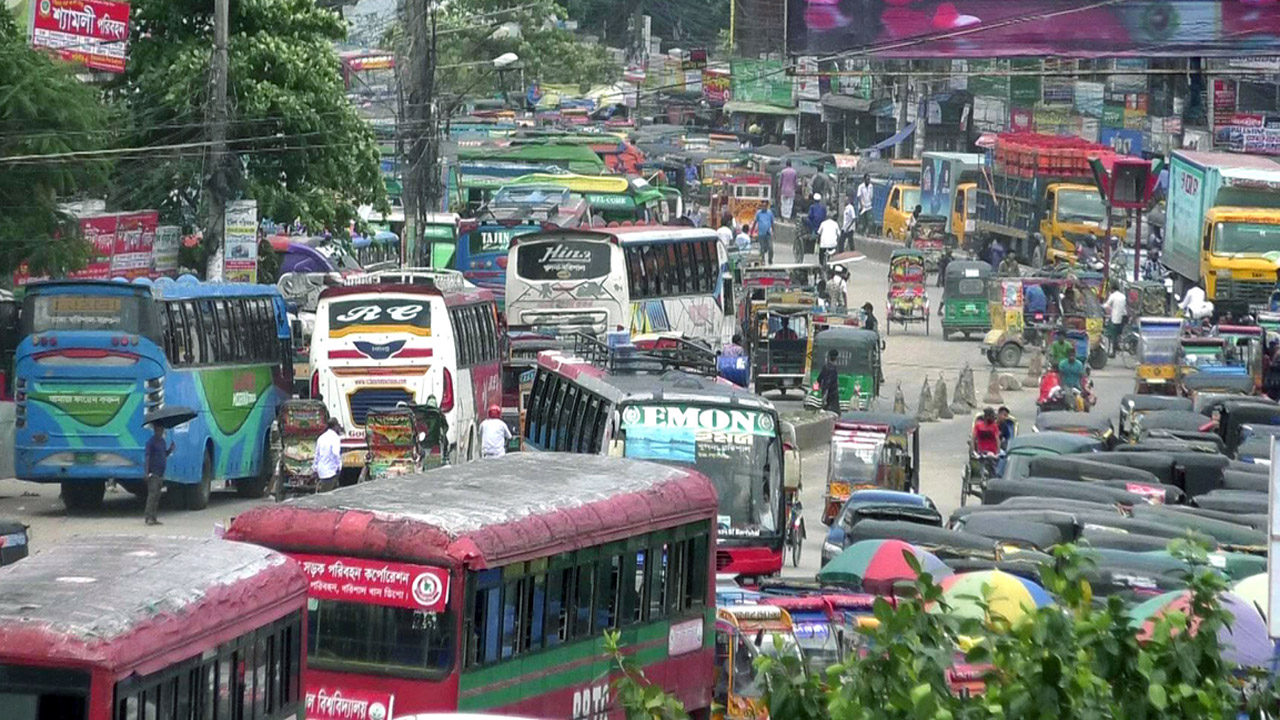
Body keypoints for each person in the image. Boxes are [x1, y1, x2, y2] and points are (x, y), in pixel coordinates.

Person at [143, 422, 174, 525]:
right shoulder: (151, 442)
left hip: (160, 473)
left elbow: (164, 454)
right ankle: (148, 517)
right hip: (153, 473)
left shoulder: (162, 442)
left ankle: (154, 516)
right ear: (155, 430)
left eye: (161, 430)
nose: (160, 432)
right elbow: (147, 457)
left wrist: (170, 450)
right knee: (152, 495)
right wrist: (146, 472)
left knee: (157, 496)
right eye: (158, 430)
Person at [313, 417, 342, 492]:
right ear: (335, 426)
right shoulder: (335, 438)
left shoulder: (321, 437)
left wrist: (315, 468)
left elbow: (316, 455)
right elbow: (335, 453)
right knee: (328, 494)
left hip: (321, 471)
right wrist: (339, 466)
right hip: (330, 471)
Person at [1103, 285, 1128, 357]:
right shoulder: (1123, 296)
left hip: (1116, 318)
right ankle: (1118, 346)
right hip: (1124, 317)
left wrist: (1102, 306)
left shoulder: (1113, 296)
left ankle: (1113, 352)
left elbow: (1106, 305)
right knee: (1119, 333)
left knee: (1113, 334)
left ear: (1112, 289)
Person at [817, 348, 842, 413]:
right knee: (834, 409)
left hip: (825, 390)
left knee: (826, 406)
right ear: (836, 358)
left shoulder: (825, 366)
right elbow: (831, 381)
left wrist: (822, 387)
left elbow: (819, 378)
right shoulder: (833, 369)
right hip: (832, 392)